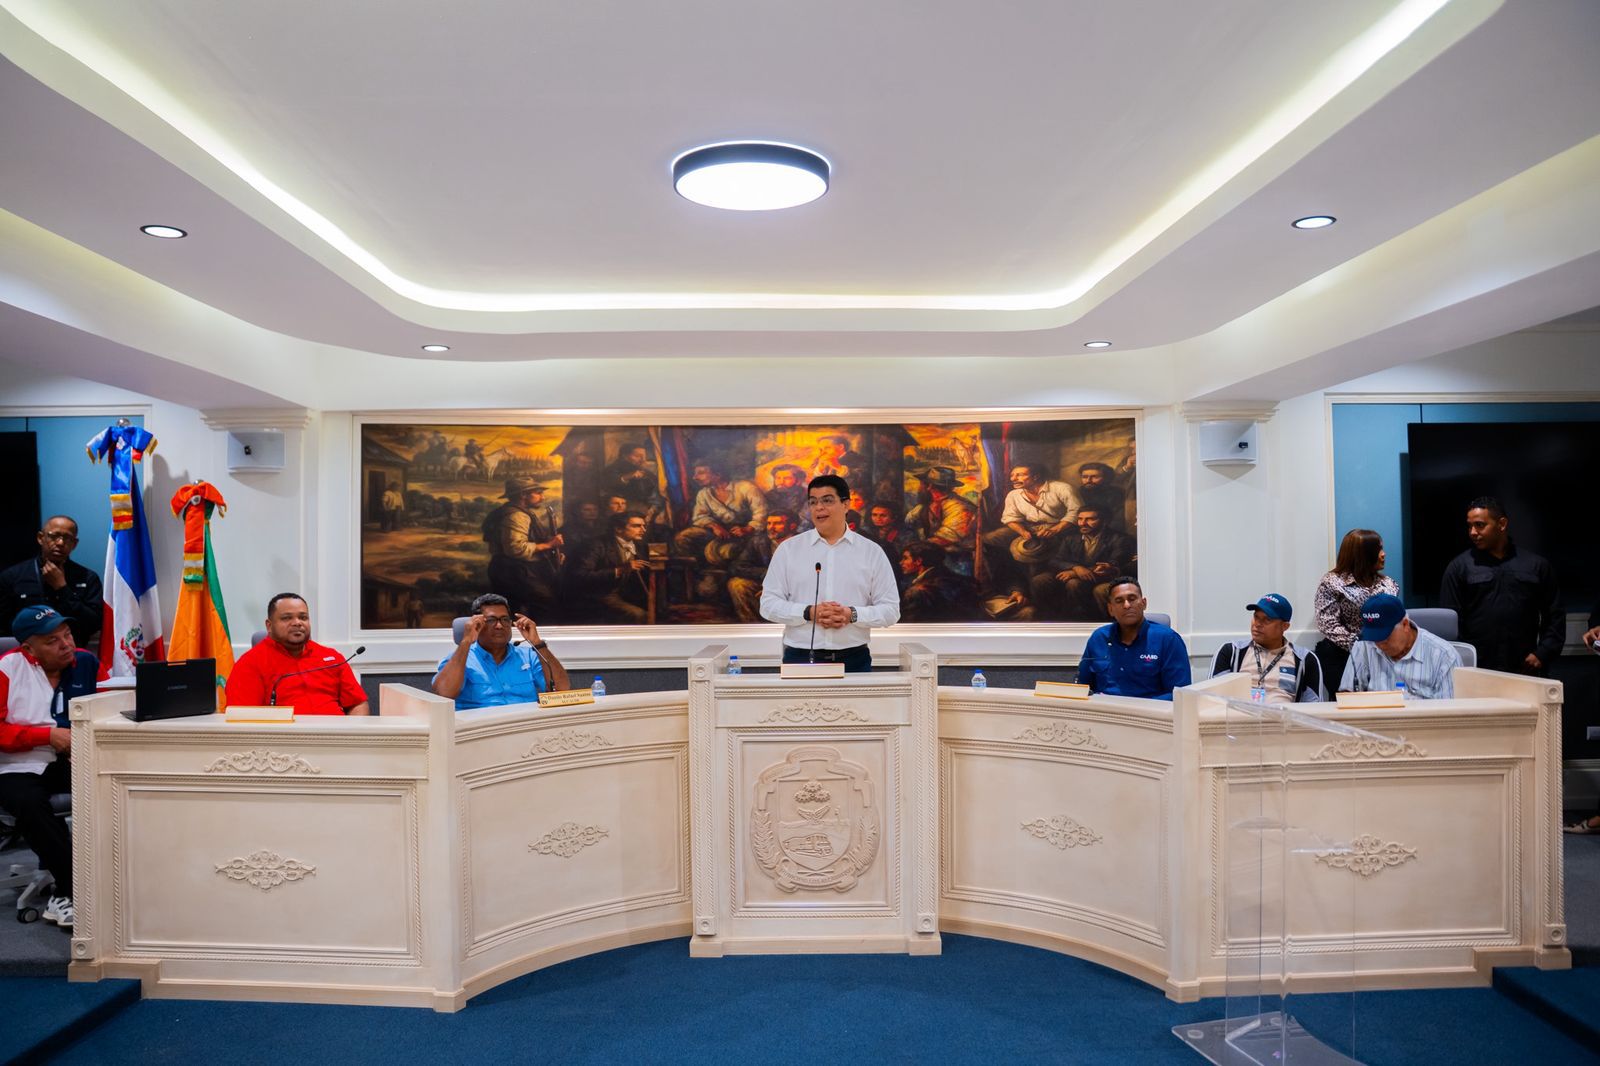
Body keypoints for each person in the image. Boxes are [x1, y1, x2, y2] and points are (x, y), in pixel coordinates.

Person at [0, 606, 95, 928]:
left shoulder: (85, 662)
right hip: (15, 764)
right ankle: (68, 891)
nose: (66, 644)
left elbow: (111, 707)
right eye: (52, 640)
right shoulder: (7, 669)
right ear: (29, 649)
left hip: (72, 758)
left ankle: (118, 879)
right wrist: (46, 736)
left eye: (67, 635)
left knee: (112, 786)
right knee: (30, 803)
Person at [760, 475, 900, 672]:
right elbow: (768, 605)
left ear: (846, 504)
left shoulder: (871, 551)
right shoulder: (789, 550)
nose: (819, 508)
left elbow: (891, 610)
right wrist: (809, 612)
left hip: (854, 659)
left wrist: (851, 614)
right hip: (800, 657)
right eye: (813, 502)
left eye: (827, 500)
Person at [1439, 496, 1562, 676]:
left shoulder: (1536, 566)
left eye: (1480, 525)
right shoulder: (1459, 568)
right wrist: (1464, 661)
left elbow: (1555, 616)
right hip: (1477, 670)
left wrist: (1542, 654)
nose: (1473, 532)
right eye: (1470, 526)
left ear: (1502, 524)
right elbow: (1450, 623)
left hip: (1526, 668)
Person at [225, 594, 369, 714]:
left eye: (303, 617)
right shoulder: (250, 663)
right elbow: (242, 716)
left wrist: (353, 734)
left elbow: (357, 704)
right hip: (285, 738)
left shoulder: (332, 658)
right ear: (269, 626)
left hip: (336, 736)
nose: (297, 623)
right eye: (287, 618)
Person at [431, 593, 569, 709]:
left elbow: (562, 691)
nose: (499, 626)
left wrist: (537, 643)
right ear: (477, 624)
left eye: (505, 619)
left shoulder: (528, 656)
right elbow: (444, 695)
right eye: (491, 620)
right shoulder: (460, 659)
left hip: (526, 727)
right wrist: (466, 640)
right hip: (480, 729)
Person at [1311, 528, 1400, 694]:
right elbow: (1328, 624)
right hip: (1342, 654)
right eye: (1378, 549)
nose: (1384, 554)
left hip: (1383, 652)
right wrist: (1361, 648)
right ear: (1362, 554)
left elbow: (1394, 620)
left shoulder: (1389, 584)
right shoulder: (1332, 583)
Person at [1076, 578, 1191, 701]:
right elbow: (1083, 688)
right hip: (1105, 709)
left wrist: (1139, 706)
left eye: (1132, 599)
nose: (1127, 605)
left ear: (1143, 603)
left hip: (1149, 711)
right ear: (1110, 609)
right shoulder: (1099, 638)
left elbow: (1179, 693)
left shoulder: (1168, 639)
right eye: (1119, 601)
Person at [0, 515, 103, 648]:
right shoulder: (13, 576)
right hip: (27, 653)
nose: (60, 543)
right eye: (54, 536)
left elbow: (94, 624)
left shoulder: (88, 578)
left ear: (74, 544)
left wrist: (62, 588)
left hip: (73, 651)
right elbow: (4, 626)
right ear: (40, 538)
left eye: (67, 538)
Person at [1339, 593, 1461, 699]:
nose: (1379, 643)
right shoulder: (1364, 645)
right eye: (1374, 636)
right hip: (1374, 718)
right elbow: (1347, 695)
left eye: (1385, 636)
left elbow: (1452, 711)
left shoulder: (1445, 656)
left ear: (1405, 625)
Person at [1210, 594, 1325, 703]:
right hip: (1238, 716)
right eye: (1256, 617)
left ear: (1285, 626)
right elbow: (1212, 698)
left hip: (1283, 716)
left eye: (1267, 620)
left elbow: (1314, 707)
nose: (1257, 624)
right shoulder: (1231, 652)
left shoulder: (1305, 660)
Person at [1028, 506, 1136, 620]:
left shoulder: (1120, 539)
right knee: (1040, 580)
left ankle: (1081, 619)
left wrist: (1076, 573)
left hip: (1102, 577)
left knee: (1074, 583)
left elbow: (1113, 564)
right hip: (1073, 573)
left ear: (1105, 521)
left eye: (1090, 519)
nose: (1082, 523)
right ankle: (1047, 618)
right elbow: (1056, 560)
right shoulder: (1071, 538)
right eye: (1080, 519)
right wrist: (1075, 567)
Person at [482, 476, 565, 620]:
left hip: (511, 570)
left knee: (516, 610)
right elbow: (516, 549)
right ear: (523, 495)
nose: (542, 497)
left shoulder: (509, 511)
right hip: (514, 571)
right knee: (545, 604)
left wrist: (553, 554)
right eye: (538, 493)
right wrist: (549, 545)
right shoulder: (517, 516)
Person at [982, 464, 1082, 565]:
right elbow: (1009, 518)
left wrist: (1055, 529)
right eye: (1012, 475)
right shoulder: (1013, 495)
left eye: (1020, 475)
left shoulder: (1062, 488)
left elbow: (1077, 511)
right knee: (989, 538)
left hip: (1060, 527)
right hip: (1029, 527)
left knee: (1042, 552)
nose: (1013, 479)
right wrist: (1023, 532)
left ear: (1035, 476)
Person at [673, 461, 768, 564]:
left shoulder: (746, 488)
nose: (695, 477)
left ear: (718, 474)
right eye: (695, 473)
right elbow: (699, 516)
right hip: (717, 531)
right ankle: (694, 569)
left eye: (701, 473)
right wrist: (714, 526)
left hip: (743, 534)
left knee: (717, 552)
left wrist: (747, 529)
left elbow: (761, 513)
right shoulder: (703, 493)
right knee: (682, 538)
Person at [571, 512, 651, 623]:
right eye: (636, 526)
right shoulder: (596, 545)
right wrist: (620, 570)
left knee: (658, 611)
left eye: (643, 526)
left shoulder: (639, 546)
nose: (643, 530)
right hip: (601, 595)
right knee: (638, 615)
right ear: (618, 529)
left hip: (627, 594)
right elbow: (580, 576)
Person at [728, 510, 798, 622]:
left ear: (792, 526)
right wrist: (767, 575)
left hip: (795, 588)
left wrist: (777, 588)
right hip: (764, 584)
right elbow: (737, 566)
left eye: (777, 523)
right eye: (769, 523)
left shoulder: (805, 543)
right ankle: (754, 626)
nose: (771, 527)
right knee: (737, 584)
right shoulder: (758, 542)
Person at [898, 542, 978, 622]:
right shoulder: (962, 580)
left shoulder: (918, 592)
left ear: (918, 561)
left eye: (905, 558)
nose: (901, 563)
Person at [906, 467, 975, 554]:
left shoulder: (960, 508)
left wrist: (915, 549)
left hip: (959, 557)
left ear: (929, 486)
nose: (919, 489)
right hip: (934, 552)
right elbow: (908, 523)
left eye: (921, 485)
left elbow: (944, 539)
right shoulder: (925, 506)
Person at [1078, 463, 1126, 530]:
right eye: (1085, 477)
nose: (1088, 480)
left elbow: (1117, 520)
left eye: (1095, 477)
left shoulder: (1116, 493)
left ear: (1106, 478)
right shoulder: (1079, 492)